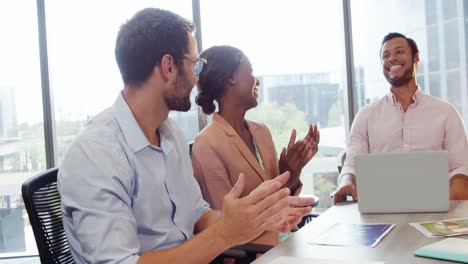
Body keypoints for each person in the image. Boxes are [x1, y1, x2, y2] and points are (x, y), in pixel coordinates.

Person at [57, 8, 314, 264]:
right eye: (196, 65)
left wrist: (255, 220)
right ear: (169, 66)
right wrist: (224, 235)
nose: (197, 77)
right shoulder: (96, 154)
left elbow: (197, 215)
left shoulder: (170, 134)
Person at [191, 45, 320, 244]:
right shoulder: (207, 145)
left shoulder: (262, 132)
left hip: (284, 242)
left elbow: (276, 203)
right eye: (250, 71)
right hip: (250, 254)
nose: (256, 79)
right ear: (230, 78)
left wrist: (291, 173)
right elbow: (226, 225)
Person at [333, 32, 468, 204]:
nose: (392, 58)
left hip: (436, 213)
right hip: (378, 212)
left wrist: (456, 195)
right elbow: (351, 164)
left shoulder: (446, 113)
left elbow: (461, 167)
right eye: (386, 55)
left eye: (399, 52)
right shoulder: (365, 116)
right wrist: (345, 182)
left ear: (416, 58)